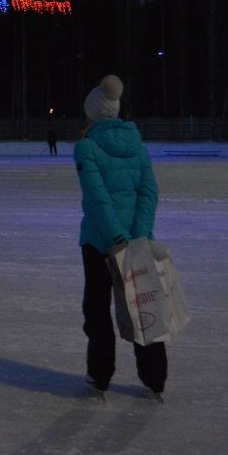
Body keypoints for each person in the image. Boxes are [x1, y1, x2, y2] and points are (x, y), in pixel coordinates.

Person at [74, 75, 165, 398]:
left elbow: (98, 199)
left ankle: (100, 374)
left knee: (97, 310)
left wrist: (117, 237)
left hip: (100, 243)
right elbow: (148, 193)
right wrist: (138, 235)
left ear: (93, 112)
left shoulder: (87, 147)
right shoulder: (137, 146)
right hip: (135, 243)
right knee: (143, 306)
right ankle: (155, 378)